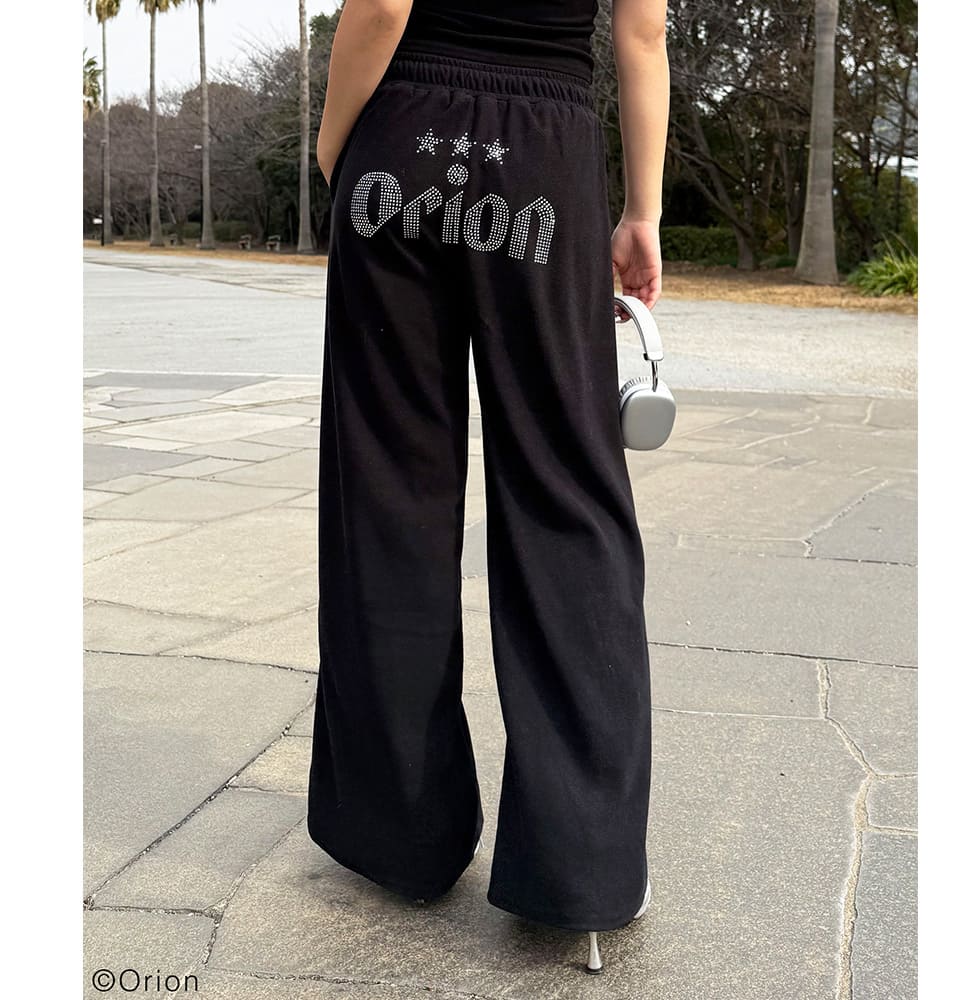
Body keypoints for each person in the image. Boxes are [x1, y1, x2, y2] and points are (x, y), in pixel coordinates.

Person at [307, 0, 670, 976]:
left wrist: (336, 148)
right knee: (567, 489)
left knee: (389, 487)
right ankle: (582, 863)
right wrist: (640, 212)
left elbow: (381, 5)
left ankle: (399, 833)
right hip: (545, 148)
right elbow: (642, 35)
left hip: (399, 136)